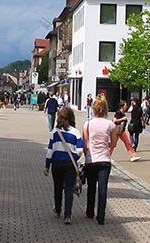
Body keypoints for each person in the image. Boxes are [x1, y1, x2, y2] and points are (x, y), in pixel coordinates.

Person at [44, 107, 83, 224]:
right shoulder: (75, 132)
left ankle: (57, 209)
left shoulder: (54, 133)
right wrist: (74, 157)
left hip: (56, 163)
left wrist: (47, 165)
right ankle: (68, 215)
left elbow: (50, 150)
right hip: (69, 164)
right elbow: (80, 150)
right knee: (69, 189)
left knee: (58, 187)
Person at [83, 95, 116, 225]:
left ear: (94, 110)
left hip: (91, 159)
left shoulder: (88, 124)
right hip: (104, 160)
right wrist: (105, 144)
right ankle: (101, 216)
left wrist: (87, 155)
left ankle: (90, 211)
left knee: (91, 187)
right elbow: (113, 143)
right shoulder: (111, 125)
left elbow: (85, 144)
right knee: (103, 188)